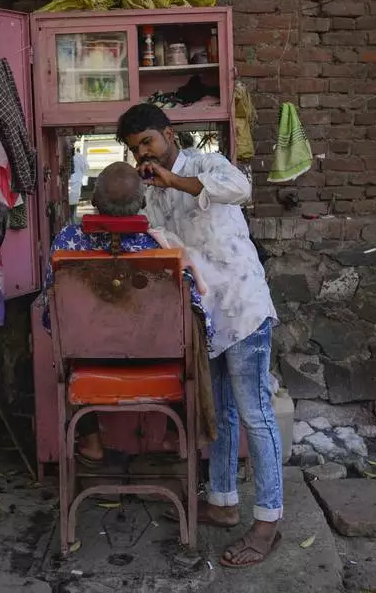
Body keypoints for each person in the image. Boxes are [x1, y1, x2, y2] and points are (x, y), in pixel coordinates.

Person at [116, 103, 283, 569]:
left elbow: (241, 189)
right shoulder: (152, 195)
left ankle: (268, 521)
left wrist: (175, 181)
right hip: (205, 316)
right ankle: (223, 502)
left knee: (255, 414)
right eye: (135, 150)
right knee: (221, 414)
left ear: (169, 134)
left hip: (242, 307)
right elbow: (161, 244)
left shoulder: (208, 164)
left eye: (147, 142)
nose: (143, 154)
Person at [42, 161, 212, 464]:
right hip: (155, 360)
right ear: (142, 203)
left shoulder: (67, 243)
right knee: (187, 342)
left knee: (67, 353)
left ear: (95, 201)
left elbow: (50, 314)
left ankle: (91, 441)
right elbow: (194, 314)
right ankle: (173, 436)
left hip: (89, 361)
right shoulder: (160, 248)